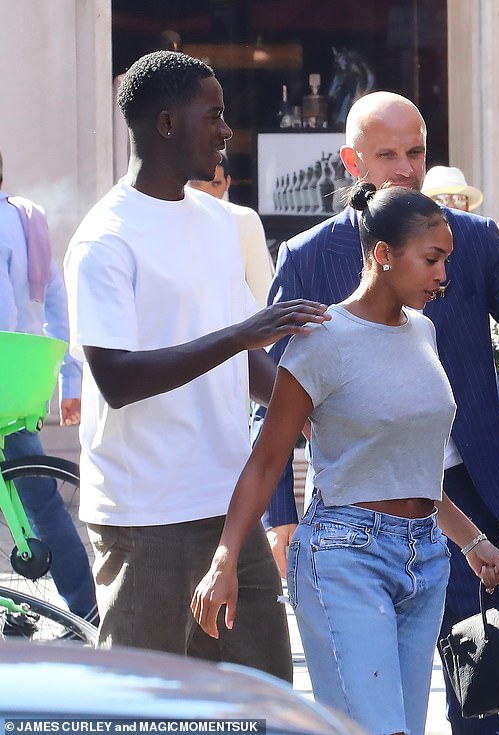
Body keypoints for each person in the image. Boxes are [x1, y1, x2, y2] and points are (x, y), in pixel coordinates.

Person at [252, 91, 499, 734]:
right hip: (358, 505)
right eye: (387, 155)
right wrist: (281, 515)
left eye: (416, 152)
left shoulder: (473, 242)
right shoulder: (309, 257)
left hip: (464, 489)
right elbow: (270, 384)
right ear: (352, 161)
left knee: (481, 687)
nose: (404, 168)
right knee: (375, 700)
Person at [192, 182, 499, 735]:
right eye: (432, 260)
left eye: (446, 261)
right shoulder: (323, 340)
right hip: (345, 556)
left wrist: (471, 540)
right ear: (383, 255)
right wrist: (226, 558)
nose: (443, 276)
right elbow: (267, 459)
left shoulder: (425, 332)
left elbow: (413, 463)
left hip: (426, 557)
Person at [63, 51, 329, 677]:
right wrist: (241, 337)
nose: (227, 130)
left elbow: (247, 358)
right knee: (145, 705)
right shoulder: (105, 237)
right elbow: (117, 377)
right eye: (213, 115)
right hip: (145, 514)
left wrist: (311, 414)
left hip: (230, 504)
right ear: (166, 124)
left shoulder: (216, 223)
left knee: (264, 692)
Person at [0, 151, 97, 622]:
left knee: (35, 495)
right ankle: (83, 608)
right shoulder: (25, 222)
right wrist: (68, 378)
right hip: (19, 383)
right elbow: (59, 306)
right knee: (40, 499)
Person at [189, 152, 274, 307]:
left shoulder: (245, 220)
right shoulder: (170, 220)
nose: (209, 192)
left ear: (227, 183)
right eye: (200, 184)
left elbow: (262, 297)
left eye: (216, 184)